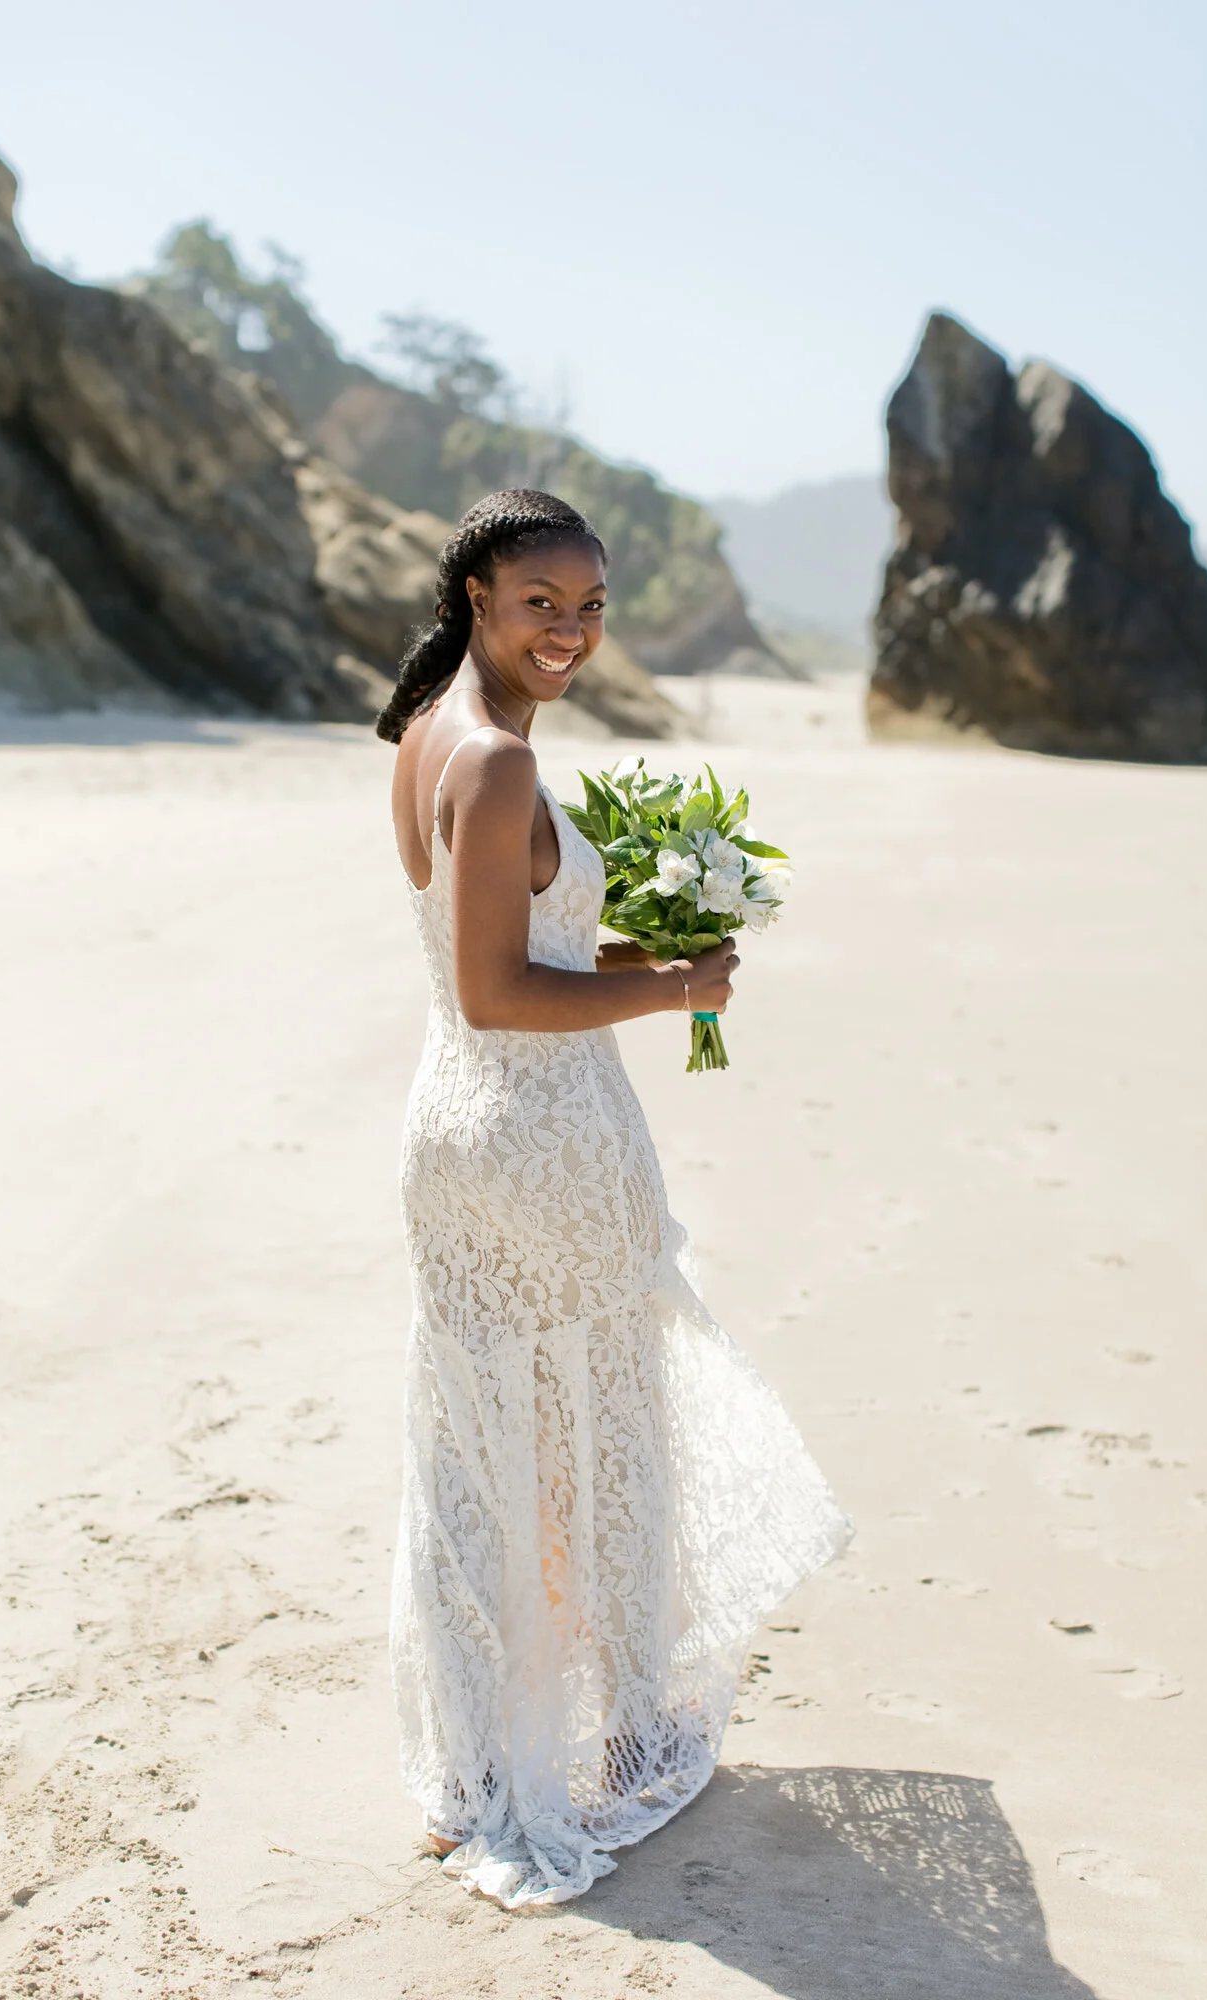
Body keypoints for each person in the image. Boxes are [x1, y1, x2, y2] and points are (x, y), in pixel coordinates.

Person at [380, 489, 850, 1909]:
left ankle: (473, 1772)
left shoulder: (426, 741)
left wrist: (641, 928)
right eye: (541, 603)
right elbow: (499, 987)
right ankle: (626, 1725)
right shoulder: (500, 768)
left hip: (455, 1139)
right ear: (476, 595)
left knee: (483, 1454)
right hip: (537, 1139)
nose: (570, 631)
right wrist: (678, 987)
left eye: (589, 607)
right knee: (596, 1441)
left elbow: (506, 936)